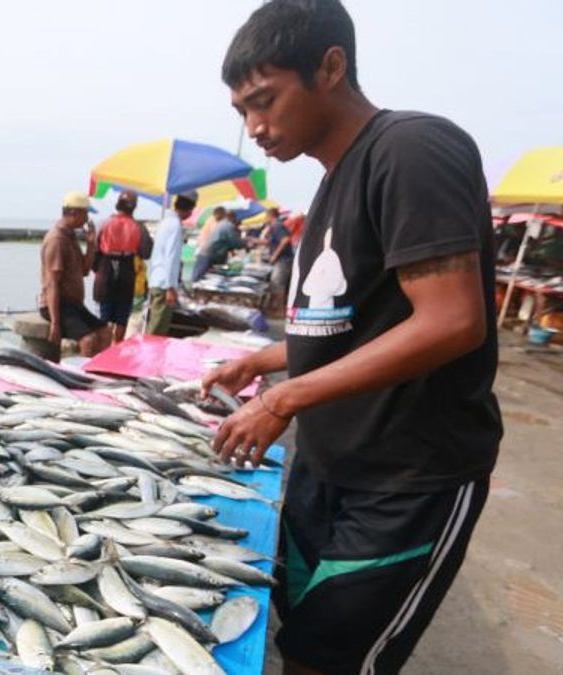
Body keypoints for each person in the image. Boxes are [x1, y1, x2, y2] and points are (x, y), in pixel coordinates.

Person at [206, 2, 501, 674]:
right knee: (299, 643)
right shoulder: (334, 183)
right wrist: (263, 358)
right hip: (328, 467)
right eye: (240, 111)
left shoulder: (413, 149)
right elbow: (346, 325)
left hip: (407, 480)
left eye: (264, 100)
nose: (254, 127)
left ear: (330, 67)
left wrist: (284, 399)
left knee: (332, 662)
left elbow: (452, 319)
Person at [40, 191, 111, 360]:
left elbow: (85, 270)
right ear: (73, 213)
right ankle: (83, 379)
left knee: (105, 332)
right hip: (58, 304)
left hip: (74, 304)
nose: (87, 219)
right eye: (85, 213)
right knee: (88, 340)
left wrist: (91, 243)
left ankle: (94, 371)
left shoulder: (70, 236)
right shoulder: (57, 240)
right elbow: (52, 284)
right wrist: (56, 324)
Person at [94, 191, 152, 343]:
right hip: (126, 270)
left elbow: (94, 249)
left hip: (106, 270)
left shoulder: (103, 223)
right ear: (134, 208)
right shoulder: (139, 227)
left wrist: (97, 269)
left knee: (104, 314)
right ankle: (115, 346)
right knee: (122, 316)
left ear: (117, 204)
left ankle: (102, 347)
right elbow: (146, 252)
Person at [146, 191, 197, 335]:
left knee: (155, 324)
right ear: (189, 209)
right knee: (157, 328)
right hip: (163, 283)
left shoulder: (166, 222)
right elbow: (171, 258)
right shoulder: (174, 225)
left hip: (157, 279)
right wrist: (170, 287)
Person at [262, 206, 294, 313]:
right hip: (282, 259)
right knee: (277, 283)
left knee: (278, 284)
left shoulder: (277, 226)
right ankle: (276, 309)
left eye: (265, 216)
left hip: (283, 259)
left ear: (270, 216)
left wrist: (275, 256)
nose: (264, 218)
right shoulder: (275, 227)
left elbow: (285, 240)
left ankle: (280, 310)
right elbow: (271, 241)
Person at [190, 206, 227, 282]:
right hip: (206, 252)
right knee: (199, 276)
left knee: (205, 276)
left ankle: (195, 288)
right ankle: (194, 289)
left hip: (207, 252)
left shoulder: (214, 221)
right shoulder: (214, 221)